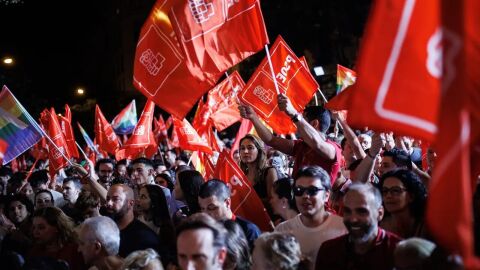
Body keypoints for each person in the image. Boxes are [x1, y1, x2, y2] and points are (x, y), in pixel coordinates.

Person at [239, 95, 342, 184]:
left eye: (303, 120)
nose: (296, 126)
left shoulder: (333, 148)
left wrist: (294, 114)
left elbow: (317, 144)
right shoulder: (300, 146)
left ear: (314, 123)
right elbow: (271, 140)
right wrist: (253, 117)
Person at [315, 183, 402, 270]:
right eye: (347, 211)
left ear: (380, 213)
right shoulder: (329, 251)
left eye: (362, 211)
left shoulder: (399, 252)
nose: (353, 219)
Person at [275, 166, 347, 269]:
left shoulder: (343, 228)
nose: (305, 196)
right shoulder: (282, 231)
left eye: (312, 190)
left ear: (326, 195)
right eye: (299, 190)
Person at [198, 179, 261, 249]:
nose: (206, 214)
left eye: (212, 208)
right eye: (202, 209)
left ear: (227, 203)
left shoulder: (248, 230)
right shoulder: (204, 230)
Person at [105, 184, 160, 258]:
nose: (109, 203)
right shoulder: (106, 230)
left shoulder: (145, 238)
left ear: (130, 203)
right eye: (108, 199)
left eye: (115, 199)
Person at [380, 169, 427, 238]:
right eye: (385, 191)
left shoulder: (425, 227)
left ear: (411, 196)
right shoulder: (378, 226)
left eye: (396, 190)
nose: (388, 195)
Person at [136, 184, 176, 266]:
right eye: (139, 196)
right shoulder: (137, 219)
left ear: (154, 201)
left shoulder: (164, 227)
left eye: (143, 197)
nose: (138, 200)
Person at [239, 134, 278, 203]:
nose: (245, 151)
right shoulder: (241, 174)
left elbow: (273, 200)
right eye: (242, 148)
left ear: (259, 151)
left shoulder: (269, 171)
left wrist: (247, 201)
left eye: (250, 148)